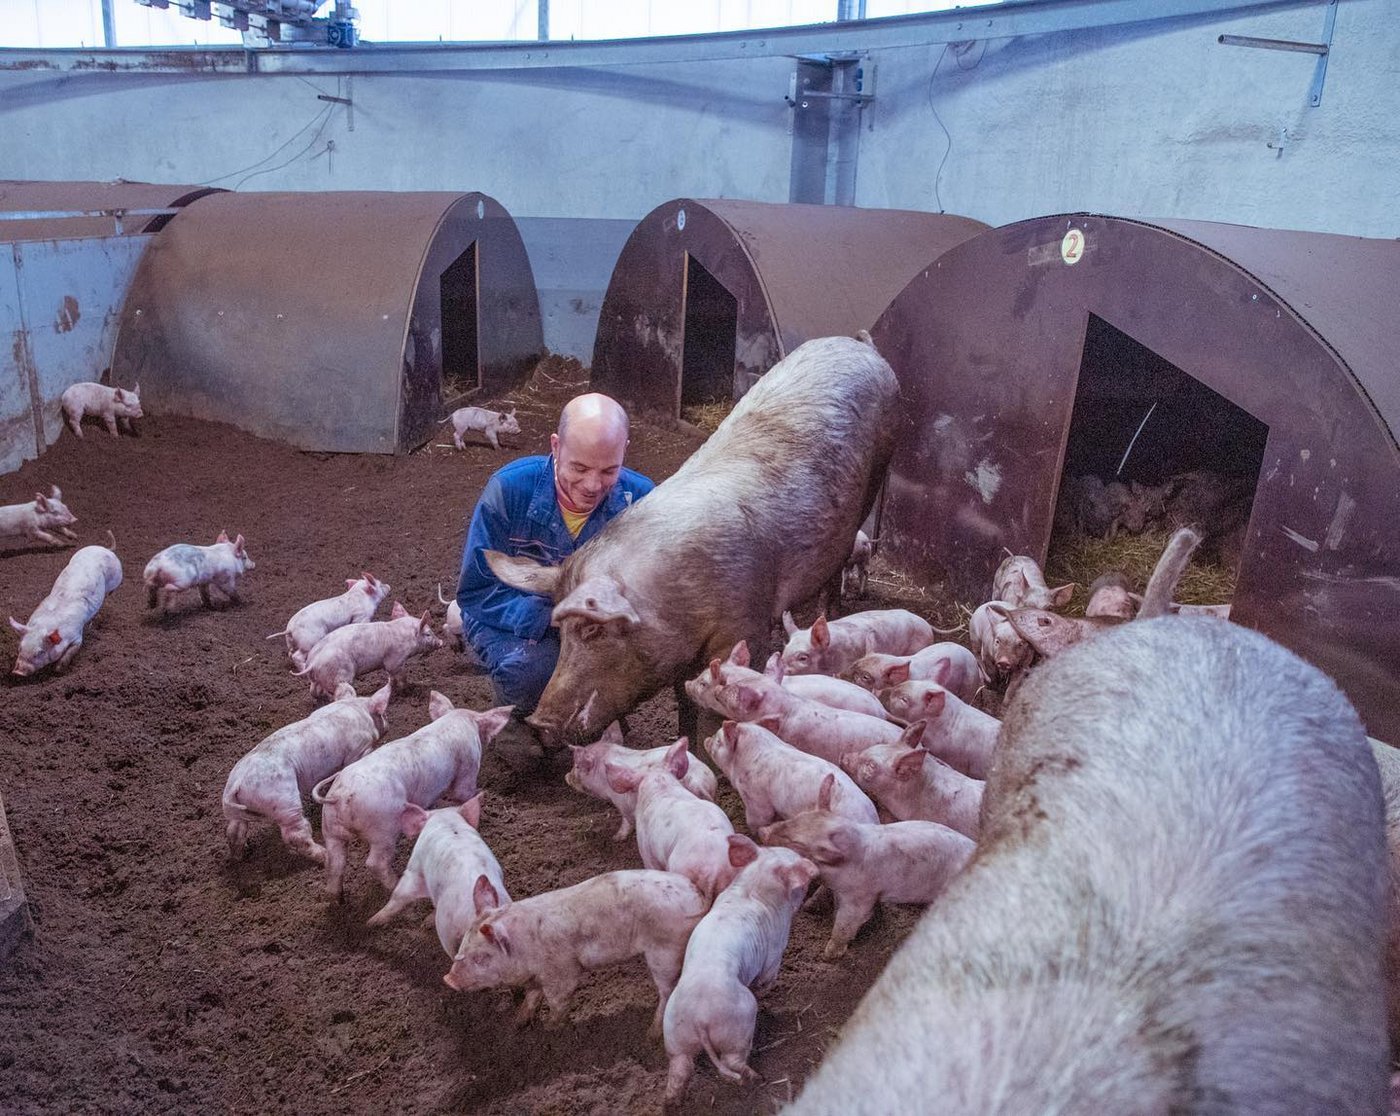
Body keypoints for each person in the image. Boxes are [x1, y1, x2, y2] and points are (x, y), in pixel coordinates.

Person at [455, 392, 654, 769]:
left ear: (624, 451)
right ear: (556, 446)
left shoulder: (642, 500)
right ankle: (514, 716)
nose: (593, 485)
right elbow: (476, 591)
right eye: (578, 468)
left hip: (600, 627)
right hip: (511, 618)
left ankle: (595, 710)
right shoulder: (510, 489)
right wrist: (548, 617)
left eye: (609, 470)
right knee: (531, 671)